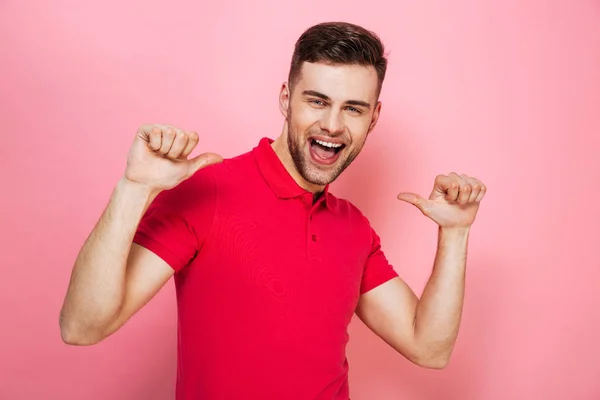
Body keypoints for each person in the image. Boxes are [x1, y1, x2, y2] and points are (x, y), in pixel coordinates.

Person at [59, 21, 487, 399]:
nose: (333, 125)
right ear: (286, 99)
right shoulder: (209, 190)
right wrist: (134, 188)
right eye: (317, 101)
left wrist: (456, 233)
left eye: (352, 108)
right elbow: (82, 327)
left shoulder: (354, 228)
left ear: (372, 118)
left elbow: (428, 348)